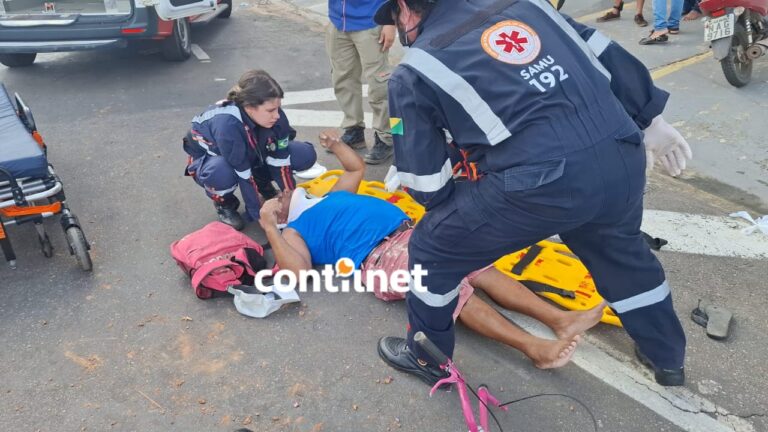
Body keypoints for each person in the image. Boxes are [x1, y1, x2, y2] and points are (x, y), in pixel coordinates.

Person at [373, 0, 693, 387]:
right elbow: (602, 49)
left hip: (541, 185)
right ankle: (667, 358)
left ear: (404, 7)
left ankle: (427, 357)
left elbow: (428, 188)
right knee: (620, 253)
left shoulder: (416, 68)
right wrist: (651, 118)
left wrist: (441, 181)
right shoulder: (528, 5)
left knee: (431, 250)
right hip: (619, 155)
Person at [258, 130, 606, 374]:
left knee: (480, 268)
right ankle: (534, 348)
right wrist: (271, 227)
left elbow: (355, 168)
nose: (284, 192)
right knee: (452, 291)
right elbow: (299, 273)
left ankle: (560, 320)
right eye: (277, 195)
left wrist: (336, 145)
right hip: (380, 256)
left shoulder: (329, 197)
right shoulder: (294, 230)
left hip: (411, 233)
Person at [183, 70, 317, 230]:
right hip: (213, 160)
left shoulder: (276, 116)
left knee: (304, 154)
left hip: (250, 152)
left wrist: (290, 198)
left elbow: (281, 159)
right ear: (249, 107)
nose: (277, 115)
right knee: (221, 172)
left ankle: (263, 183)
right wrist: (259, 214)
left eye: (278, 108)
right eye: (270, 110)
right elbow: (243, 174)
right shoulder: (227, 125)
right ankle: (224, 203)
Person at [326, 0, 396, 164]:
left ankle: (386, 137)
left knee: (379, 84)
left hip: (371, 20)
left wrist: (390, 21)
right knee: (343, 80)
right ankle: (354, 129)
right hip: (338, 20)